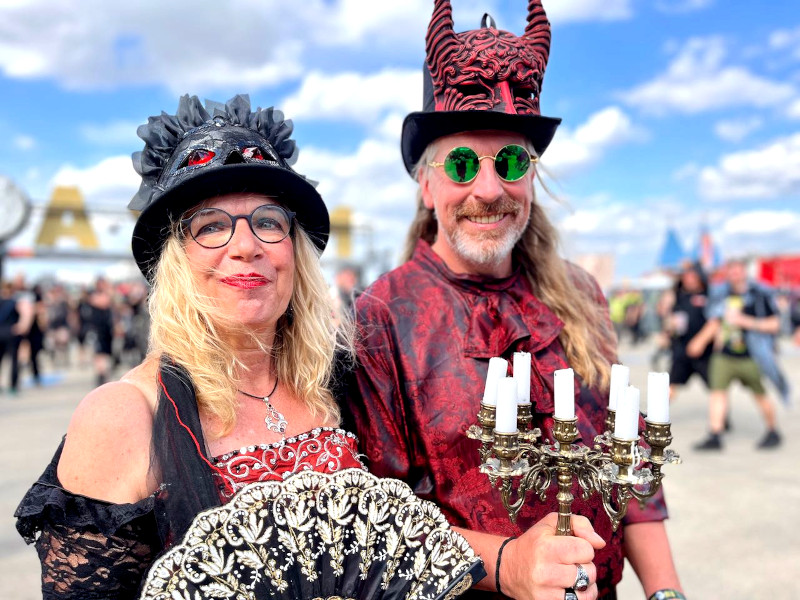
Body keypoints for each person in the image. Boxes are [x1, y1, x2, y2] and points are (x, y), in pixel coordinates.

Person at [345, 2, 683, 599]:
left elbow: (631, 469)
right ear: (426, 186)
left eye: (509, 161)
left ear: (530, 176)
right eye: (461, 164)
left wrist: (666, 592)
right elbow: (378, 517)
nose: (488, 189)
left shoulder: (580, 293)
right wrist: (508, 564)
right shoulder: (382, 315)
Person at [15, 94, 365, 598]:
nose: (246, 246)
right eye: (211, 226)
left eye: (268, 221)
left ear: (296, 252)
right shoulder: (124, 415)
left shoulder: (336, 380)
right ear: (176, 263)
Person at [689, 258, 786, 450]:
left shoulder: (759, 295)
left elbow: (775, 324)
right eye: (731, 271)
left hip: (751, 355)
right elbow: (715, 321)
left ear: (744, 272)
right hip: (724, 355)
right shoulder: (721, 295)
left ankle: (773, 430)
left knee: (759, 394)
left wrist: (745, 321)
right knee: (717, 393)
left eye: (738, 271)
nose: (734, 275)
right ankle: (715, 434)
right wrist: (700, 341)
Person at [665, 261, 713, 399]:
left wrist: (701, 341)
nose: (689, 280)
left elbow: (715, 322)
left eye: (692, 276)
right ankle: (657, 412)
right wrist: (668, 328)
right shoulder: (678, 296)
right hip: (681, 349)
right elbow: (668, 318)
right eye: (686, 276)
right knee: (669, 387)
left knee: (716, 389)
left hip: (705, 352)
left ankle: (722, 415)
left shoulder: (709, 295)